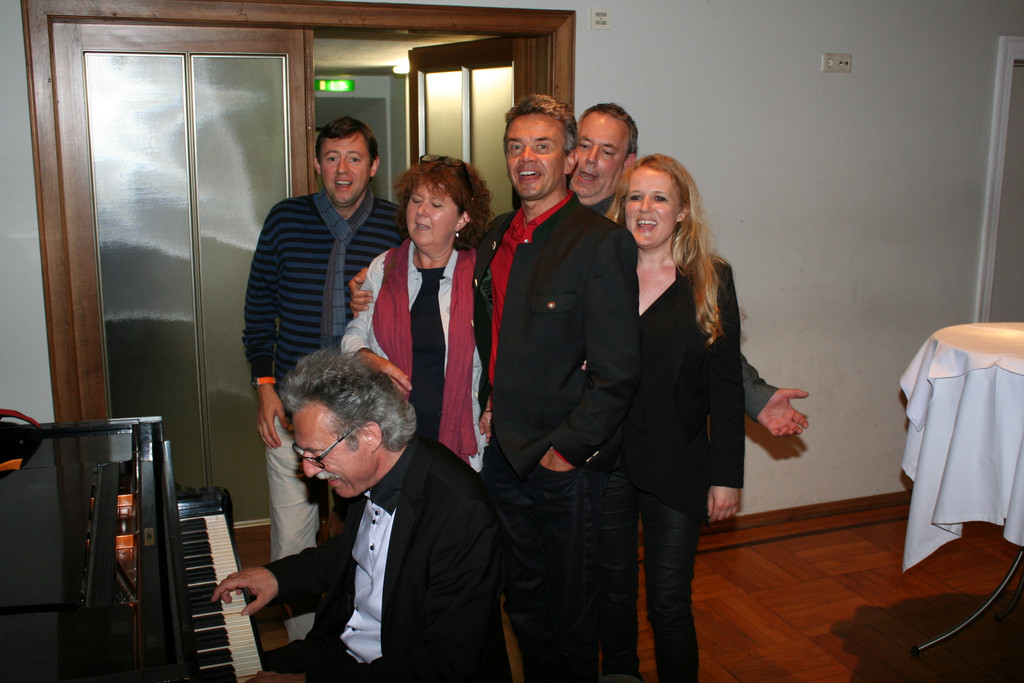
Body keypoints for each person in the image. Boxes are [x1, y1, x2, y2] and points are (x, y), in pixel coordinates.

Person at [211, 349, 512, 682]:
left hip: (402, 666)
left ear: (370, 435)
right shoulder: (363, 474)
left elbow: (447, 661)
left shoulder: (462, 514)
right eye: (302, 452)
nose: (309, 470)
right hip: (343, 647)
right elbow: (351, 553)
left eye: (317, 454)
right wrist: (277, 578)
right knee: (226, 672)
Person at [473, 94, 641, 681]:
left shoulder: (600, 241)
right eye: (515, 146)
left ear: (569, 159)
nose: (526, 158)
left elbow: (619, 371)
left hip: (563, 464)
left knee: (571, 612)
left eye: (542, 146)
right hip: (503, 458)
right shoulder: (495, 237)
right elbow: (489, 331)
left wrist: (566, 450)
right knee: (522, 599)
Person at [242, 117, 400, 640]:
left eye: (354, 157)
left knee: (375, 543)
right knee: (293, 540)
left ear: (373, 166)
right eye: (332, 158)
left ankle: (367, 647)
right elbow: (258, 313)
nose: (342, 169)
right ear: (316, 164)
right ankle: (303, 652)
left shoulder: (397, 226)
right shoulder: (285, 220)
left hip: (368, 418)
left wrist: (375, 302)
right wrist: (264, 387)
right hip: (293, 405)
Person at [570, 103, 809, 438]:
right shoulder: (537, 223)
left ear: (627, 164)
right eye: (583, 145)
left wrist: (755, 397)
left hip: (634, 435)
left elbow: (696, 334)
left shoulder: (638, 235)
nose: (590, 159)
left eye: (607, 151)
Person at [599, 154, 744, 682]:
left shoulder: (710, 279)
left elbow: (726, 387)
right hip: (607, 461)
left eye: (659, 198)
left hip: (678, 464)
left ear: (682, 211)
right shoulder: (600, 274)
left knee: (668, 603)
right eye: (635, 197)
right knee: (612, 594)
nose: (645, 208)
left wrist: (726, 476)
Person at [341, 155, 492, 470]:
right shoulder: (384, 267)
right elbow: (353, 336)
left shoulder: (482, 275)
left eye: (436, 204)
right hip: (387, 439)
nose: (421, 211)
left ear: (462, 219)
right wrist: (369, 359)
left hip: (458, 442)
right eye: (415, 200)